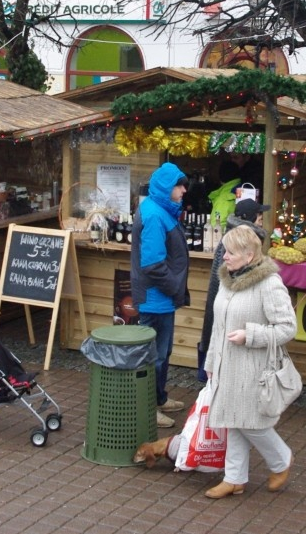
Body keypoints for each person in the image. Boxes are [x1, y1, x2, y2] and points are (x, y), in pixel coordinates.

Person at [202, 226, 296, 499]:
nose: (225, 257)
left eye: (230, 253)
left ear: (249, 255)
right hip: (226, 365)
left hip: (253, 368)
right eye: (225, 251)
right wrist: (210, 360)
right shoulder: (227, 279)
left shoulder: (269, 283)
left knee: (251, 422)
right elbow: (218, 326)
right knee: (233, 419)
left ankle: (281, 460)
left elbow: (288, 328)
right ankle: (234, 478)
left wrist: (251, 335)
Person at [131, 161, 190, 429]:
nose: (183, 190)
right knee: (153, 357)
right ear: (167, 187)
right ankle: (148, 408)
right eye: (179, 185)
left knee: (162, 354)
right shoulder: (155, 215)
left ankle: (159, 398)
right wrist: (174, 287)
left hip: (162, 299)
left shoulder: (162, 210)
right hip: (155, 299)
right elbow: (153, 265)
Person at [198, 198, 270, 382]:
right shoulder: (236, 241)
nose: (261, 222)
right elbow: (228, 275)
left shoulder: (234, 235)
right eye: (260, 218)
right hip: (225, 303)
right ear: (251, 219)